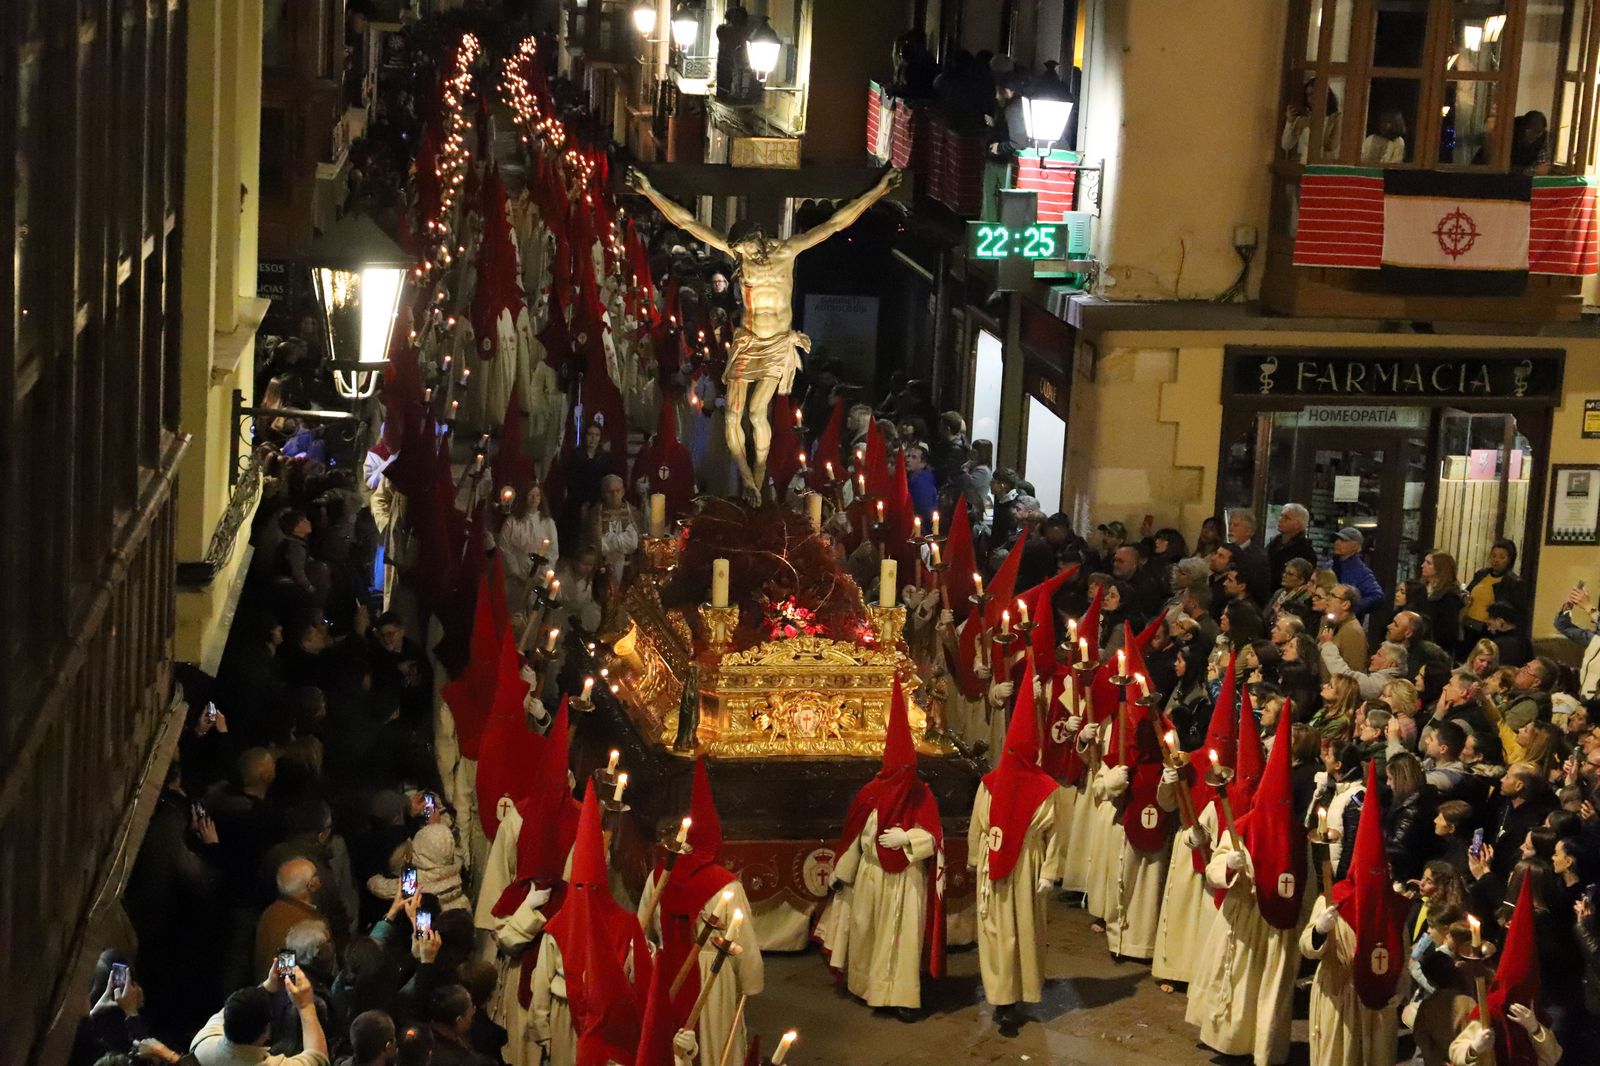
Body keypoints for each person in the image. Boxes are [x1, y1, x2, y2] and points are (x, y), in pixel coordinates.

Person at [816, 682, 943, 1020]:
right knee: (868, 932)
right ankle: (867, 987)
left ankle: (901, 996)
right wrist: (842, 875)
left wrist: (909, 839)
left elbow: (934, 838)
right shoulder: (870, 794)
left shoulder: (922, 795)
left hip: (906, 880)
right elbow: (855, 838)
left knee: (902, 941)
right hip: (871, 877)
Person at [1185, 710, 1306, 1066]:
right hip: (1242, 919)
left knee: (1266, 993)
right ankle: (1228, 1041)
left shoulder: (1298, 839)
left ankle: (1262, 1048)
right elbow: (1213, 868)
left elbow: (1307, 883)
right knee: (1235, 983)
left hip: (1276, 931)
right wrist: (1229, 867)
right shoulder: (1244, 826)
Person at [637, 762, 762, 1066]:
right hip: (712, 974)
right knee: (714, 1044)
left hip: (666, 970)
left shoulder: (659, 875)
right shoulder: (724, 885)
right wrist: (750, 983)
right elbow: (742, 940)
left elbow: (643, 926)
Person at [968, 663, 1064, 1033]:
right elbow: (980, 824)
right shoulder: (990, 784)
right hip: (997, 867)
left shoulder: (1044, 788)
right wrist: (978, 860)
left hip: (1027, 867)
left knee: (1021, 932)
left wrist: (1050, 872)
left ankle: (1019, 992)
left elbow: (1054, 833)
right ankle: (1001, 998)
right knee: (997, 932)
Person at [530, 783, 650, 1066]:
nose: (585, 896)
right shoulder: (558, 927)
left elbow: (635, 976)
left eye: (591, 887)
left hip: (605, 1025)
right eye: (579, 887)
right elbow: (541, 982)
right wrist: (542, 1031)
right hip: (563, 1019)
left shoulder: (623, 923)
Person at [1300, 761, 1409, 1066]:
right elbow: (1307, 949)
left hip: (1378, 1001)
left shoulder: (1394, 907)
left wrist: (1400, 988)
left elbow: (1402, 954)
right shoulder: (1334, 900)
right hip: (1339, 996)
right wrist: (1319, 931)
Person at [190, 964, 330, 1066]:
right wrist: (306, 1006)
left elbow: (235, 1008)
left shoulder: (201, 1047)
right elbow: (318, 1057)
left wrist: (268, 986)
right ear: (266, 1032)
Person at [258, 860, 324, 981]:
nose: (321, 879)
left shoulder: (271, 912)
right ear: (311, 884)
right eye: (316, 875)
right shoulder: (295, 925)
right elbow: (286, 975)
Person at [1463, 539, 1526, 645]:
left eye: (1502, 557)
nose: (1496, 560)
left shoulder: (1513, 581)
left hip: (1489, 629)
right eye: (1493, 556)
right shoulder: (1481, 574)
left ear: (1509, 560)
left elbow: (1515, 612)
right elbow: (1468, 591)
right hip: (1469, 624)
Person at [1322, 528, 1384, 619]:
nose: (1337, 543)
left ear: (1355, 546)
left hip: (1343, 621)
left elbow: (1377, 596)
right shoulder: (1328, 565)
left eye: (1343, 540)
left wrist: (1350, 607)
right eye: (1337, 539)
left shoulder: (1361, 572)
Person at [1554, 583, 1600, 701]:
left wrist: (1589, 607)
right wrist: (1568, 606)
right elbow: (1563, 626)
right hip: (1585, 701)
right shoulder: (1594, 639)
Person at [1417, 551, 1467, 654]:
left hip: (1434, 649)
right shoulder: (1420, 589)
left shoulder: (1449, 597)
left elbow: (1447, 633)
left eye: (1428, 563)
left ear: (1440, 568)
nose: (1422, 565)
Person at [1281, 79, 1341, 162]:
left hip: (1326, 166)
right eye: (1308, 95)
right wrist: (1290, 122)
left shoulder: (1335, 118)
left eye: (1313, 93)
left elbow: (1331, 146)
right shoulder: (1304, 119)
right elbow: (1286, 145)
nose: (1311, 98)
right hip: (1305, 164)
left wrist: (1325, 126)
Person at [1319, 584, 1370, 678]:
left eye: (1332, 596)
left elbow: (1353, 674)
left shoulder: (1353, 632)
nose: (1327, 600)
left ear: (1345, 604)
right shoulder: (1330, 623)